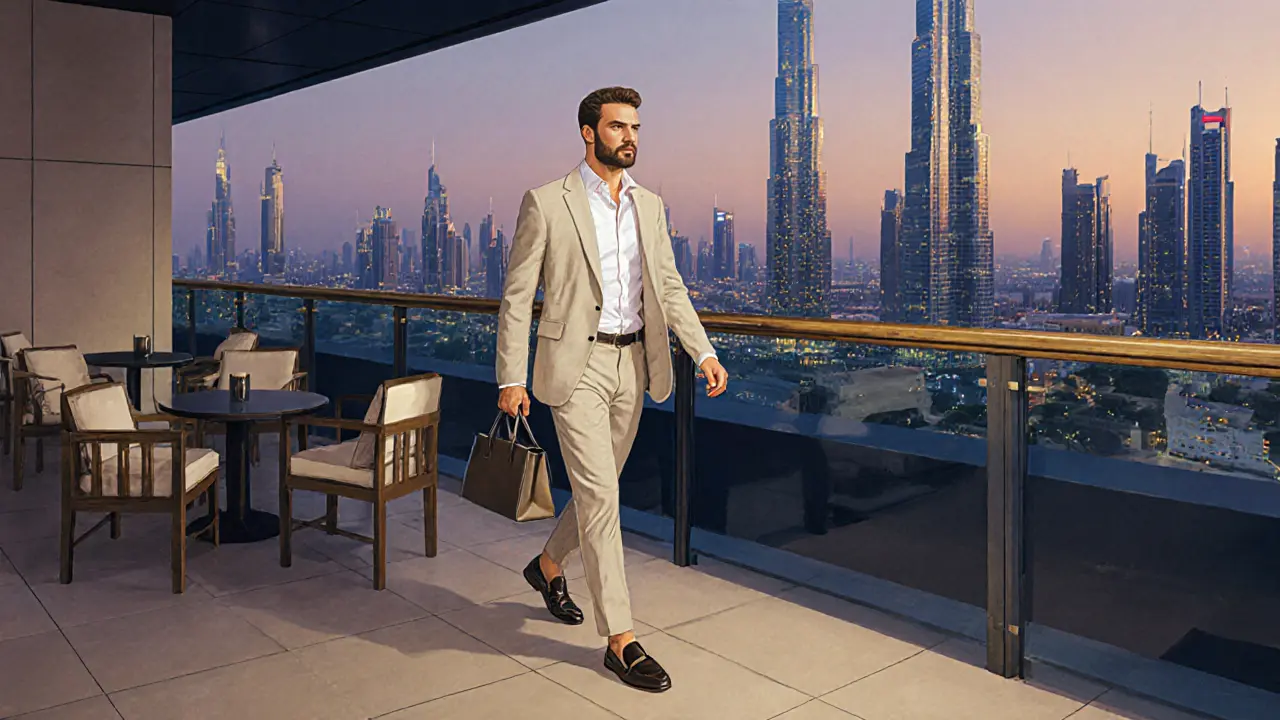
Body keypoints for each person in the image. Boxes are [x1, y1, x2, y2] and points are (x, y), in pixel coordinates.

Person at [495, 86, 728, 692]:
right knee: (601, 498)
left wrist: (701, 350)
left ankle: (547, 567)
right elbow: (517, 298)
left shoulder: (650, 206)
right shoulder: (548, 202)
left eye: (636, 128)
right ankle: (620, 639)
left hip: (635, 365)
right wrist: (511, 378)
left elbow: (669, 287)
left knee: (602, 490)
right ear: (587, 132)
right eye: (618, 126)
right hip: (576, 368)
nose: (630, 137)